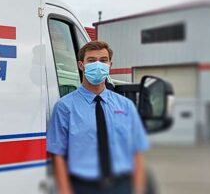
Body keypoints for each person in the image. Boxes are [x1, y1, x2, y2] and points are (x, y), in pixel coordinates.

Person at [47, 41, 150, 194]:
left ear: (110, 65)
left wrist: (139, 189)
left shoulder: (126, 106)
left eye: (103, 60)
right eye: (91, 60)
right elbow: (58, 155)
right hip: (83, 187)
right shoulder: (64, 107)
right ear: (81, 65)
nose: (98, 65)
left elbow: (136, 152)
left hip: (121, 186)